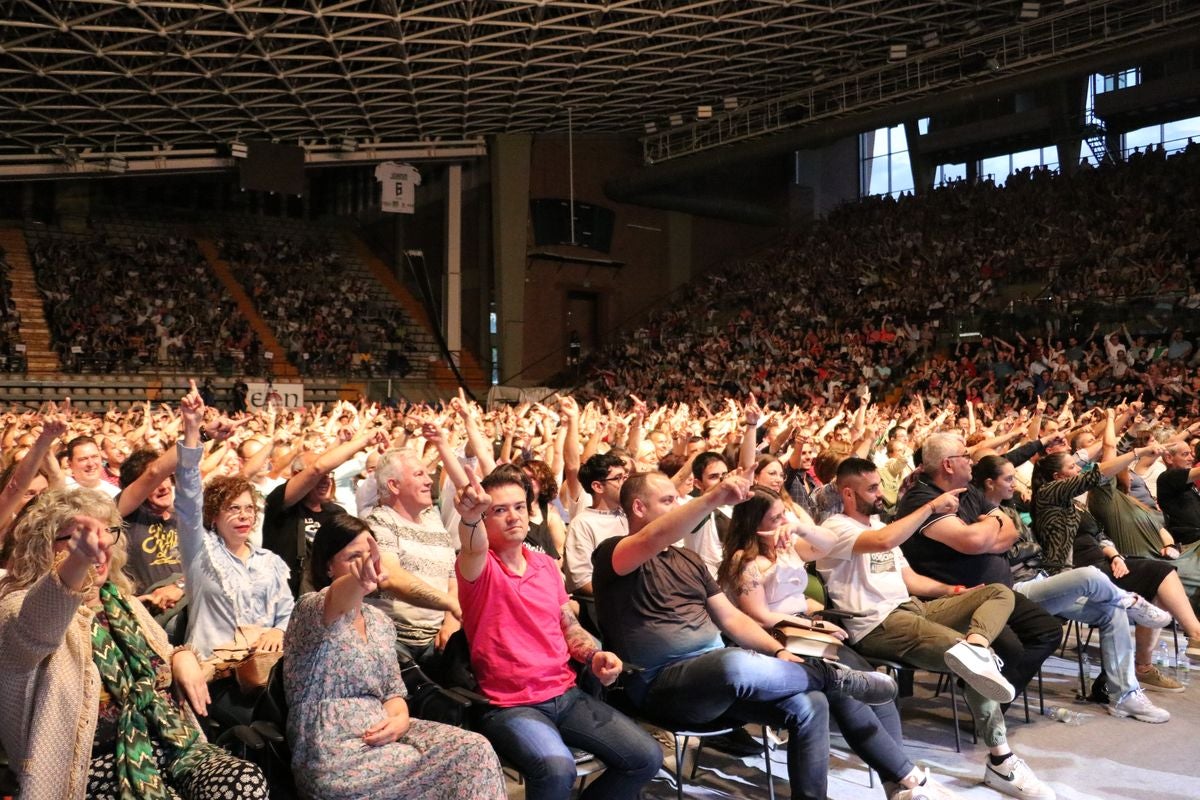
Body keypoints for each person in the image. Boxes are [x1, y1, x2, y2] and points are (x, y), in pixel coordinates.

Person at [594, 470, 960, 800]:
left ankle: (830, 789)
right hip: (661, 687)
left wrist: (778, 651)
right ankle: (830, 677)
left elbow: (733, 620)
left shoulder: (688, 562)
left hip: (718, 683)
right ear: (638, 507)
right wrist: (713, 498)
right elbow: (655, 537)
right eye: (668, 500)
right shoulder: (614, 553)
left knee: (811, 704)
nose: (679, 506)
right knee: (734, 663)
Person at [0, 488, 268, 799]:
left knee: (243, 779)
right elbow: (40, 624)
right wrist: (76, 562)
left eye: (106, 534)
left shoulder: (123, 603)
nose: (99, 550)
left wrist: (182, 656)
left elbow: (159, 661)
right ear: (44, 547)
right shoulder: (17, 608)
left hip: (172, 747)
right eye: (78, 540)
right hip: (88, 767)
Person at [817, 457, 1057, 799]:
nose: (880, 494)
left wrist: (956, 593)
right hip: (876, 623)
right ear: (848, 493)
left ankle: (975, 646)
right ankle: (1001, 760)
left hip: (914, 608)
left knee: (997, 592)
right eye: (872, 488)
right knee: (974, 660)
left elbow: (909, 578)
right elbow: (885, 541)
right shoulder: (835, 528)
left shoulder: (874, 523)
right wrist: (931, 506)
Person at [452, 466, 662, 800]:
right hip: (510, 706)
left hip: (565, 694)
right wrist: (470, 518)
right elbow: (473, 544)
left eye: (519, 507)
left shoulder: (546, 566)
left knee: (646, 758)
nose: (513, 517)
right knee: (556, 768)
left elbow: (568, 625)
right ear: (485, 518)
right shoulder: (479, 566)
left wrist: (595, 655)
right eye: (499, 510)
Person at [283, 513, 505, 800]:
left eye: (370, 556)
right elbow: (337, 597)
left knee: (474, 749)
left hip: (384, 734)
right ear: (328, 566)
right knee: (444, 770)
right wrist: (359, 579)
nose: (368, 565)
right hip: (332, 750)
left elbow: (392, 690)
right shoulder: (310, 609)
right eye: (354, 558)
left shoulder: (379, 621)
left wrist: (400, 718)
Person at [895, 433, 1062, 703]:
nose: (972, 461)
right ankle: (988, 710)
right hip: (958, 597)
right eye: (966, 456)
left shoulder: (968, 489)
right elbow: (972, 541)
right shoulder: (922, 500)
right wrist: (989, 530)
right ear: (948, 464)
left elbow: (1010, 531)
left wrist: (986, 534)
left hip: (997, 592)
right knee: (1013, 651)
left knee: (1049, 631)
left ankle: (979, 691)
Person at [363, 446, 463, 673]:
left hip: (437, 638)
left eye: (428, 474)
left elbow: (452, 580)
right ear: (393, 485)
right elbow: (391, 578)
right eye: (419, 475)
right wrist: (450, 604)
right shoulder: (379, 521)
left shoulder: (434, 522)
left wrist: (451, 622)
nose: (429, 481)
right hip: (392, 640)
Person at [262, 426, 386, 595]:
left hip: (331, 597)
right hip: (285, 600)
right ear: (299, 475)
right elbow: (317, 468)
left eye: (330, 475)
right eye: (321, 476)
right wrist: (363, 440)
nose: (326, 480)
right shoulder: (282, 503)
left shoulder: (336, 513)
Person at [562, 452, 628, 597]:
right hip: (611, 605)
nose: (625, 483)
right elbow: (581, 580)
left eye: (625, 477)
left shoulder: (631, 514)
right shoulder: (582, 524)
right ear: (598, 486)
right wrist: (625, 596)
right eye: (618, 478)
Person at [1155, 440, 1200, 546]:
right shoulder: (1166, 478)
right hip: (1190, 542)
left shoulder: (1188, 482)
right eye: (1185, 455)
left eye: (1190, 453)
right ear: (1169, 458)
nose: (1191, 458)